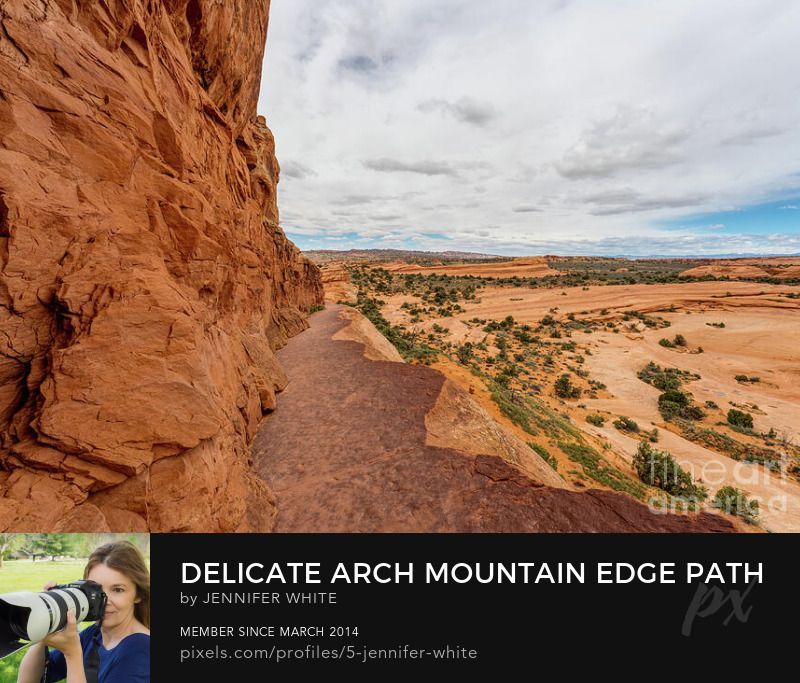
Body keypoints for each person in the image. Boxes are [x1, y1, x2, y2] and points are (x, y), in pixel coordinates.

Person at [17, 541, 150, 683]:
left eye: (118, 590)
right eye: (96, 590)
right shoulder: (94, 635)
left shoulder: (141, 649)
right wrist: (47, 623)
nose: (104, 601)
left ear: (138, 594)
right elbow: (29, 680)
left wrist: (72, 654)